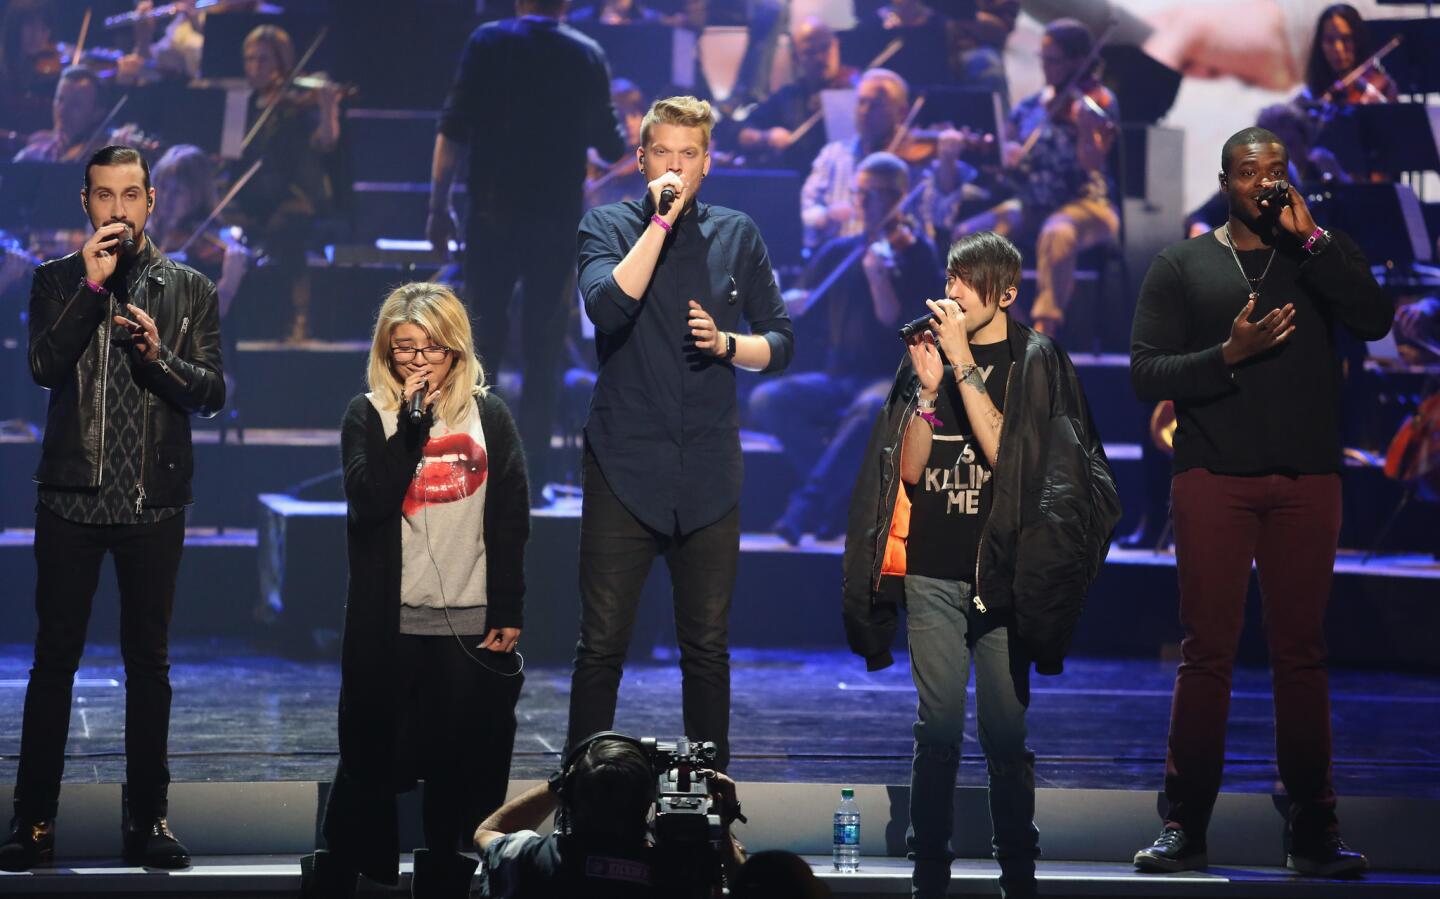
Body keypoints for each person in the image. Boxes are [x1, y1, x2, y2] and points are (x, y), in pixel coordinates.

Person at [1129, 125, 1392, 877]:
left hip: (1308, 480)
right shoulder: (1183, 262)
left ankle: (1313, 827)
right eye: (1250, 172)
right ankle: (1185, 822)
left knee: (1302, 654)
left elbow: (1373, 320)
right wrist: (1228, 355)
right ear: (1226, 181)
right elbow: (1146, 373)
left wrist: (1314, 243)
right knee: (1207, 652)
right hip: (1215, 477)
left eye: (1276, 170)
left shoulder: (1317, 255)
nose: (1266, 182)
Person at [843, 231, 1119, 899]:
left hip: (1003, 575)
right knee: (936, 727)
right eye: (951, 276)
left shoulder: (1036, 359)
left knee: (1004, 730)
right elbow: (906, 469)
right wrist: (930, 392)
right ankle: (927, 872)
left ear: (1006, 290)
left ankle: (1017, 873)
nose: (954, 290)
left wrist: (963, 364)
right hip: (933, 569)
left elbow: (1014, 462)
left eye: (968, 280)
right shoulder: (928, 354)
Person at [0, 144, 225, 872]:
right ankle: (33, 822)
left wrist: (159, 355)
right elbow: (41, 368)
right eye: (104, 196)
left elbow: (214, 392)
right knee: (54, 660)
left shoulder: (189, 287)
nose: (118, 210)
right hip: (71, 496)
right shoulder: (55, 281)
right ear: (86, 203)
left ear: (151, 202)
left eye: (132, 195)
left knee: (148, 664)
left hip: (152, 501)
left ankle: (147, 819)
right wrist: (92, 291)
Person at [568, 96, 794, 770]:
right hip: (624, 465)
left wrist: (729, 343)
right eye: (661, 152)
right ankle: (582, 796)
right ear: (640, 160)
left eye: (687, 154)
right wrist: (660, 224)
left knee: (706, 648)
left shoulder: (738, 234)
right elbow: (607, 304)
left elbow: (781, 341)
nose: (674, 164)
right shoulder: (606, 225)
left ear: (707, 162)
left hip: (707, 468)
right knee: (603, 642)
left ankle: (711, 807)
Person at [299, 282, 529, 899]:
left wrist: (508, 606)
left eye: (432, 348)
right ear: (387, 351)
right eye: (406, 349)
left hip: (469, 622)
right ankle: (346, 875)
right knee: (370, 758)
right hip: (391, 625)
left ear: (455, 350)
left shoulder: (491, 417)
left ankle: (448, 879)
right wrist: (409, 426)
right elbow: (371, 502)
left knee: (461, 766)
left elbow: (510, 517)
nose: (420, 361)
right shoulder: (367, 414)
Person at [429, 0, 626, 501]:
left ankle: (470, 467)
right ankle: (529, 476)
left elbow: (452, 129)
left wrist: (438, 206)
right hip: (555, 224)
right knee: (543, 349)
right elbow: (610, 146)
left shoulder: (487, 42)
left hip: (492, 217)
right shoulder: (587, 54)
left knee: (481, 345)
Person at [750, 151, 938, 544]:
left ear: (899, 197)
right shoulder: (838, 251)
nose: (864, 204)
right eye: (859, 194)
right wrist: (789, 305)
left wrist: (878, 279)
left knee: (870, 407)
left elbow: (896, 323)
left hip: (891, 377)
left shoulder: (917, 255)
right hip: (839, 376)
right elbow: (800, 309)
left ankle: (807, 505)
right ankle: (844, 502)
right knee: (768, 399)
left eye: (875, 195)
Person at [950, 18, 1118, 337]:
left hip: (1088, 204)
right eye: (1043, 59)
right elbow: (1004, 152)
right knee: (968, 236)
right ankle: (1013, 324)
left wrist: (1084, 130)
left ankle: (1045, 330)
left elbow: (1092, 163)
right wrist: (1003, 153)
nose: (1046, 67)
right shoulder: (1030, 106)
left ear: (1078, 61)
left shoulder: (1097, 102)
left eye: (1053, 60)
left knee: (1058, 231)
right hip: (1032, 203)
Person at [475, 733, 746, 898]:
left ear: (569, 795)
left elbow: (487, 832)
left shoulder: (528, 859)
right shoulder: (680, 876)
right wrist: (720, 828)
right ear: (650, 800)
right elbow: (753, 890)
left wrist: (558, 784)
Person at [229, 24, 342, 342]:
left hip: (294, 195)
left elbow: (325, 143)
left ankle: (299, 319)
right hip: (251, 194)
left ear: (282, 63)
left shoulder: (297, 104)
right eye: (250, 59)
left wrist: (328, 107)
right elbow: (228, 155)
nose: (255, 67)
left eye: (264, 60)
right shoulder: (242, 103)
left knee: (287, 229)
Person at [800, 68, 913, 252]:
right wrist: (827, 215)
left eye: (876, 105)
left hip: (897, 259)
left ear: (901, 112)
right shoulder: (832, 155)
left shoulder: (914, 159)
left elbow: (937, 219)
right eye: (861, 102)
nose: (865, 111)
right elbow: (806, 211)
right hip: (841, 259)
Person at [734, 18, 858, 173]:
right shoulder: (789, 96)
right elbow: (738, 132)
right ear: (796, 58)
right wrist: (765, 137)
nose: (820, 58)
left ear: (836, 46)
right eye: (809, 52)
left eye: (825, 48)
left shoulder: (857, 89)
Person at [1298, 3, 1396, 109]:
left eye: (1346, 39)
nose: (1338, 49)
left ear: (1358, 40)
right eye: (1330, 40)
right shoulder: (1310, 94)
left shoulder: (1381, 86)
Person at [13, 65, 108, 163]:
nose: (63, 109)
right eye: (60, 99)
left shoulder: (100, 159)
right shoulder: (34, 152)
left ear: (97, 113)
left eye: (75, 104)